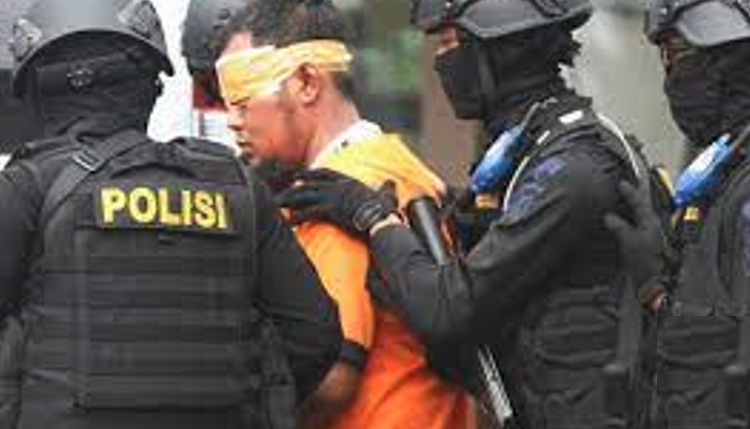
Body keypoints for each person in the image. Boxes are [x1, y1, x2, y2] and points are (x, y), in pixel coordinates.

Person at [279, 0, 662, 427]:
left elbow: (449, 310)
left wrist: (374, 219)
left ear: (500, 49)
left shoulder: (575, 166)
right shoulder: (527, 154)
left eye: (450, 44)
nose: (441, 62)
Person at [0, 0, 342, 427]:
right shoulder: (236, 187)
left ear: (37, 93)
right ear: (151, 87)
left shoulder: (26, 188)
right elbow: (314, 334)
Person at [214, 1, 476, 428]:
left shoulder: (334, 193)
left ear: (306, 82)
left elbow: (333, 378)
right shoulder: (400, 165)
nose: (232, 121)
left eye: (242, 102)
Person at [605, 0, 750, 427]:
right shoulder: (722, 173)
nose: (671, 74)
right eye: (664, 57)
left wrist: (655, 288)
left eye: (682, 53)